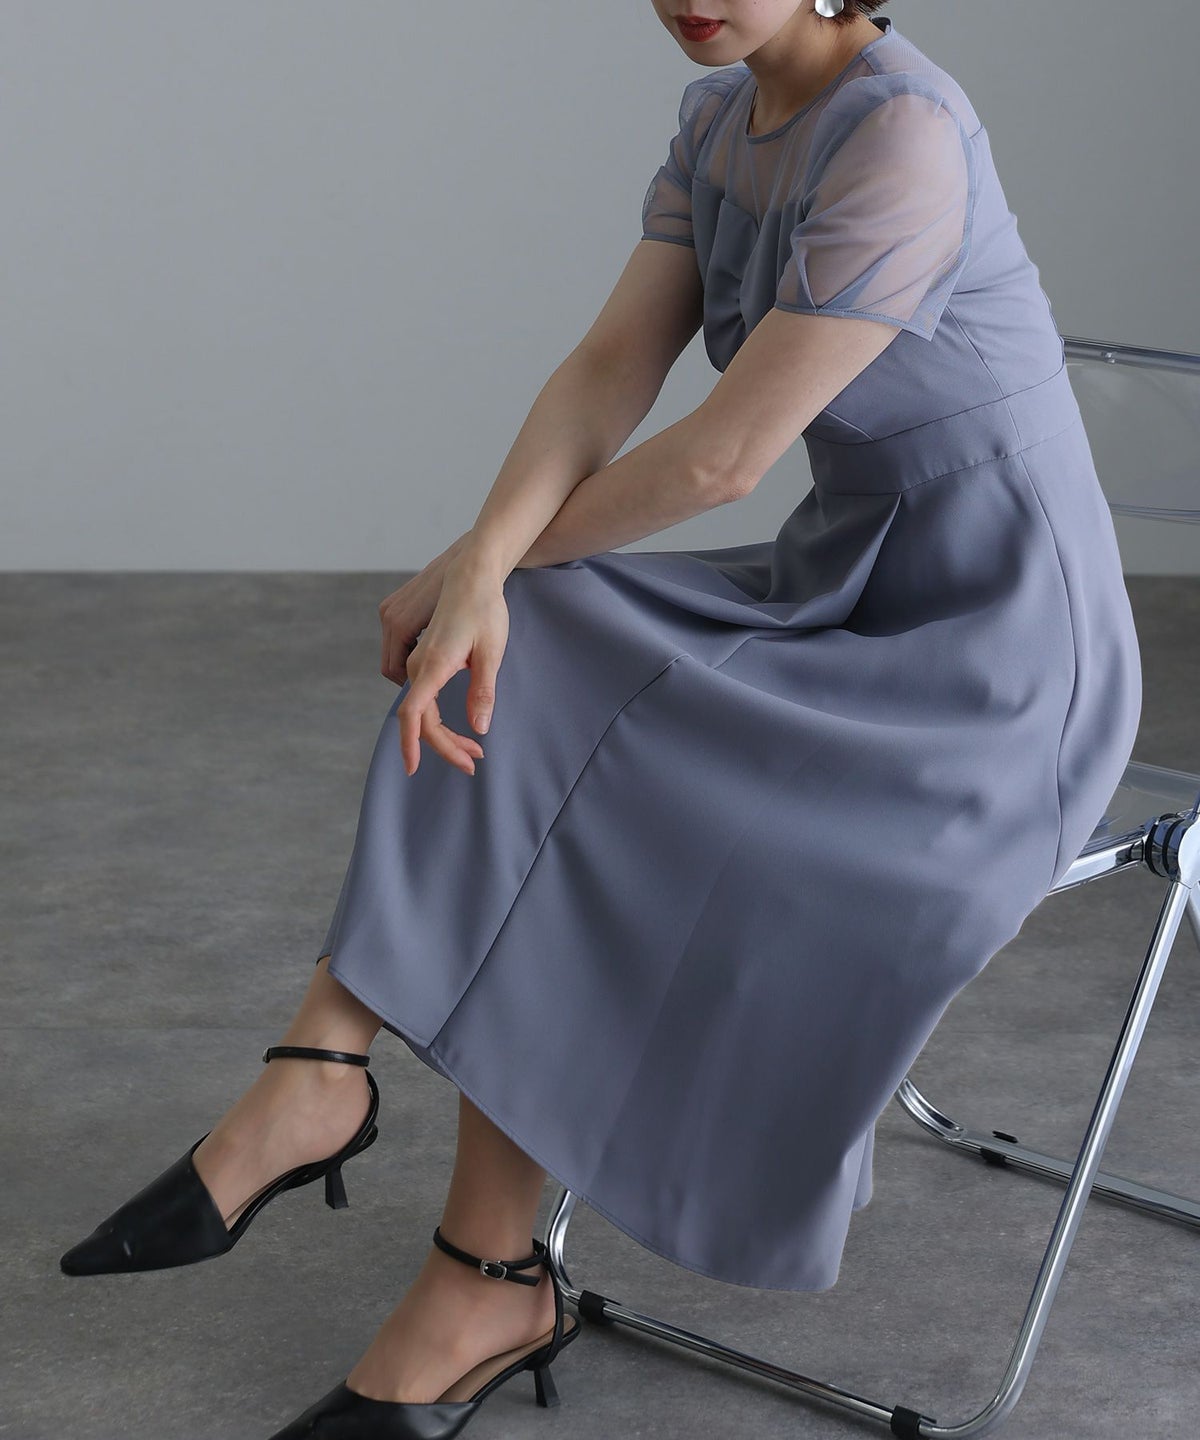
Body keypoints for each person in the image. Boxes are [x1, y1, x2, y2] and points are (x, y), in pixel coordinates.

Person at [58, 2, 1144, 1437]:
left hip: (999, 659)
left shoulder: (905, 136)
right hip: (842, 592)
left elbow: (722, 459)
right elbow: (606, 375)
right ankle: (355, 1106)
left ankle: (420, 1208)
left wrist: (473, 571)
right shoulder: (719, 121)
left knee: (550, 682)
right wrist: (486, 572)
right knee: (537, 644)